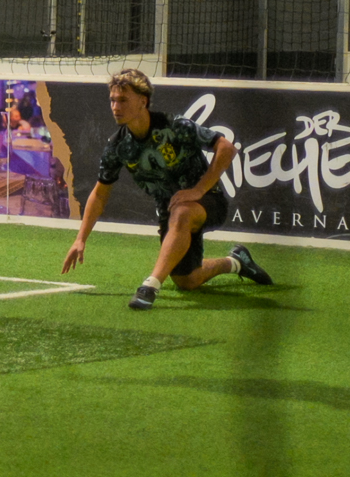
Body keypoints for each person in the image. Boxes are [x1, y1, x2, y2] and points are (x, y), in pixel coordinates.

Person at [61, 68, 271, 309]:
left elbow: (226, 148)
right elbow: (100, 193)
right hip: (169, 212)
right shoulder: (118, 146)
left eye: (123, 100)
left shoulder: (174, 126)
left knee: (182, 211)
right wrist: (80, 239)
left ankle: (150, 286)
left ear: (143, 101)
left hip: (208, 202)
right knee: (187, 280)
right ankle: (236, 262)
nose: (115, 107)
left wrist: (198, 190)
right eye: (112, 100)